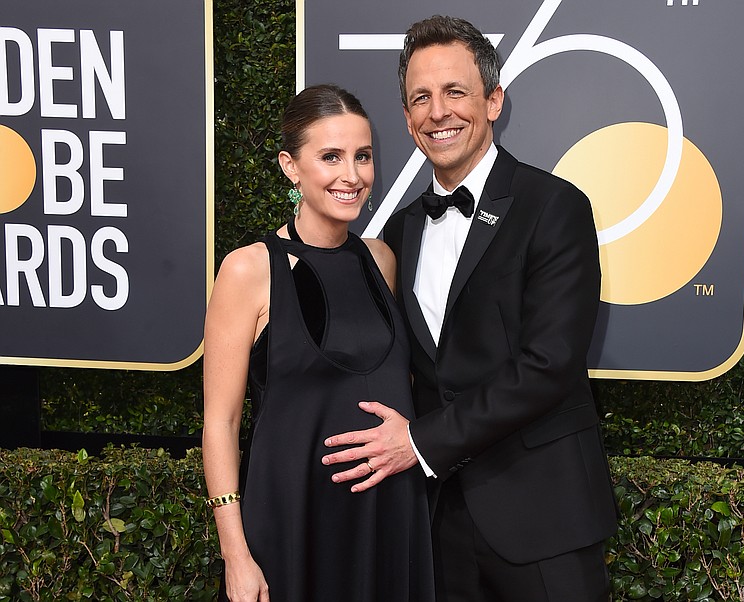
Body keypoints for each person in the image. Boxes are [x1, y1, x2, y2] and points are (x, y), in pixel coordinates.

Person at [321, 16, 619, 601]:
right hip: (439, 525)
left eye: (455, 92)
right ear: (406, 119)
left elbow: (550, 366)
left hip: (545, 519)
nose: (438, 112)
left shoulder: (553, 206)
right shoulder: (400, 233)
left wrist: (421, 443)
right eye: (421, 98)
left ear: (493, 100)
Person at [202, 84, 434, 602]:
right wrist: (235, 554)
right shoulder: (248, 269)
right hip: (292, 521)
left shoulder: (381, 261)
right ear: (291, 166)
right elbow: (221, 422)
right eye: (331, 157)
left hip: (387, 514)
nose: (352, 175)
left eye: (363, 157)